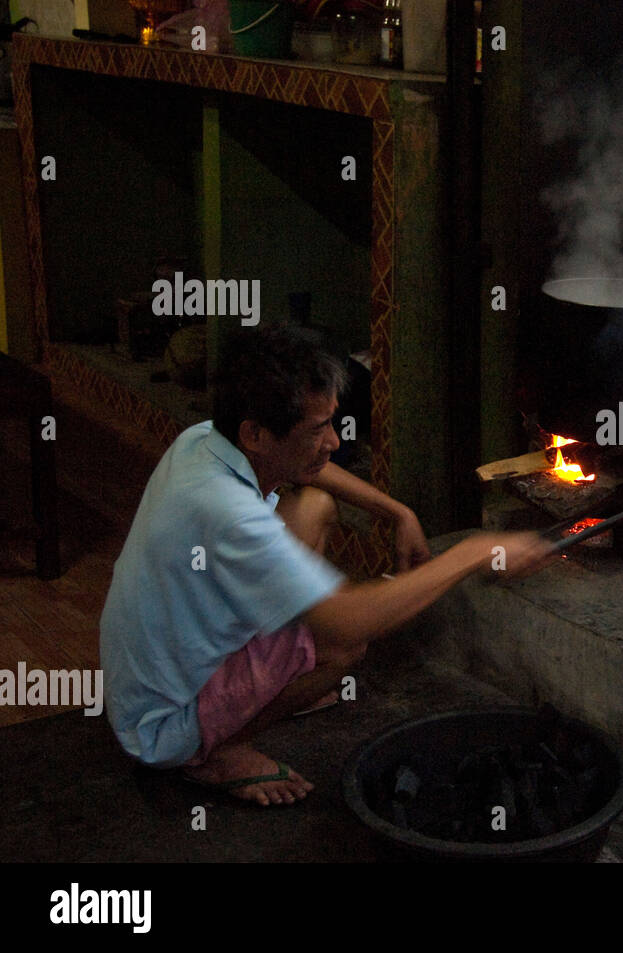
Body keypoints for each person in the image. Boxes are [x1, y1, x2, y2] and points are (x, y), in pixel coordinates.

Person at [99, 325, 553, 806]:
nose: (334, 442)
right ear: (255, 433)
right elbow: (348, 618)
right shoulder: (227, 512)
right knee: (341, 646)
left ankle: (270, 685)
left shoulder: (203, 440)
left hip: (147, 679)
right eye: (317, 430)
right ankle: (216, 752)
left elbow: (313, 471)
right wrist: (475, 550)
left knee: (314, 506)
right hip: (164, 724)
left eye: (331, 423)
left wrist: (397, 511)